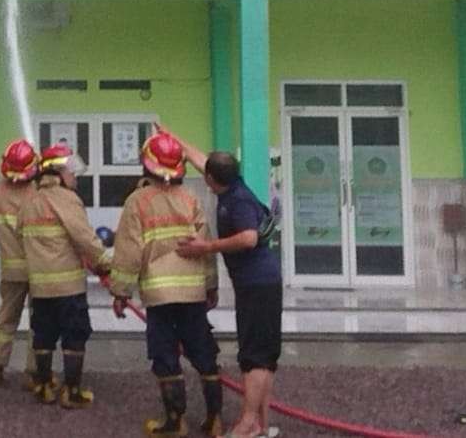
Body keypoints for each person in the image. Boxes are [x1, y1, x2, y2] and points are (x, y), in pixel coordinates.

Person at [108, 131, 225, 436]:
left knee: (165, 356)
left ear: (147, 165)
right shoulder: (191, 199)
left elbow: (129, 252)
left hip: (159, 296)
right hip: (192, 293)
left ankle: (176, 422)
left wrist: (121, 292)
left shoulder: (137, 202)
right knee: (204, 353)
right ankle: (215, 421)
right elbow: (206, 246)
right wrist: (211, 286)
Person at [173, 134, 283, 438]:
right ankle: (260, 424)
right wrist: (173, 138)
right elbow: (201, 160)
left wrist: (205, 247)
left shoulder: (237, 200)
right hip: (257, 284)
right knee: (260, 355)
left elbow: (248, 238)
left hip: (259, 284)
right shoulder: (232, 183)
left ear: (210, 179)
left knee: (256, 356)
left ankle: (247, 423)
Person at [19, 142, 112, 409]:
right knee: (74, 336)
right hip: (68, 287)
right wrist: (104, 264)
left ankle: (44, 386)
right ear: (58, 173)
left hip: (40, 288)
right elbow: (85, 238)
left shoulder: (30, 201)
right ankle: (72, 392)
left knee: (43, 336)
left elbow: (20, 234)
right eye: (71, 171)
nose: (75, 177)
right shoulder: (67, 199)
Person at [0, 139, 39, 386]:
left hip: (11, 270)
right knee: (39, 322)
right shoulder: (38, 194)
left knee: (6, 319)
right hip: (39, 269)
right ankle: (33, 373)